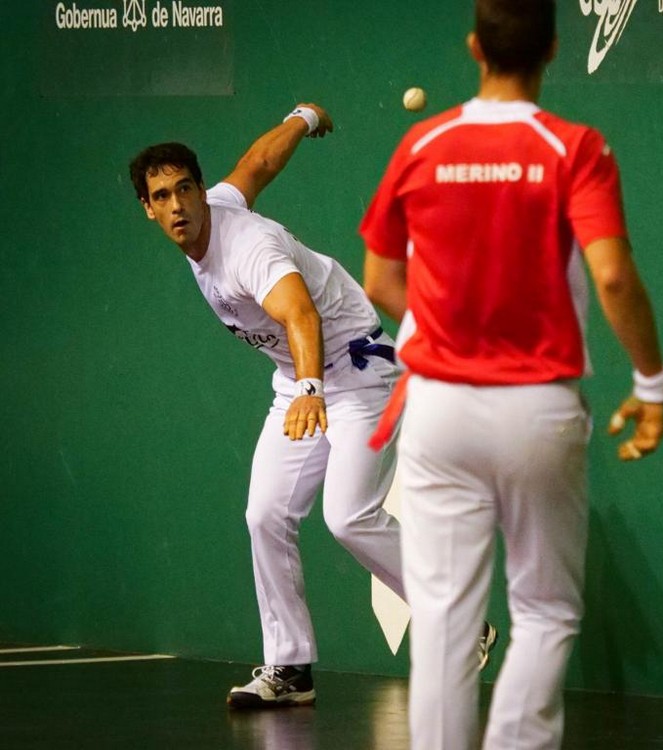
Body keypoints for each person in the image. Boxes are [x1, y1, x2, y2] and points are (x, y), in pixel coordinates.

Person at [360, 1, 663, 747]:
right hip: (536, 408)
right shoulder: (573, 148)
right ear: (555, 49)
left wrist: (438, 323)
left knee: (441, 616)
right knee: (545, 611)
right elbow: (615, 279)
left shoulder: (422, 142)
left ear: (474, 47)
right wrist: (651, 382)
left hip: (437, 410)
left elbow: (378, 279)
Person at [128, 104, 495, 710]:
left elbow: (299, 313)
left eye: (185, 190)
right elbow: (257, 163)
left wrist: (308, 391)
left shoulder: (249, 249)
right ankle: (289, 668)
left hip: (356, 373)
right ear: (148, 206)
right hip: (298, 381)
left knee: (348, 516)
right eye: (162, 195)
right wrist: (302, 118)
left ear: (198, 189)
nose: (177, 206)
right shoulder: (219, 207)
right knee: (264, 513)